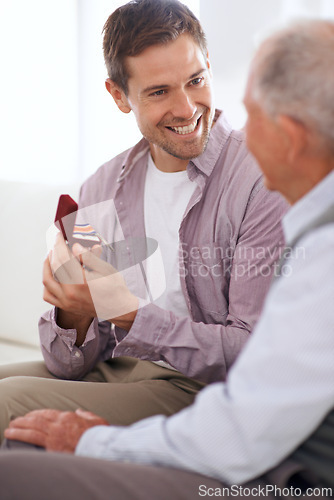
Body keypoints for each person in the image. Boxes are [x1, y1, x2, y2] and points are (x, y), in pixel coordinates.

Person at [1, 17, 333, 500]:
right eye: (158, 92)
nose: (187, 107)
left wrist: (130, 312)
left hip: (195, 385)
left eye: (196, 81)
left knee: (7, 405)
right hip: (120, 369)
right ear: (119, 96)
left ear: (209, 69)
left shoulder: (262, 176)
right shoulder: (99, 189)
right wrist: (74, 309)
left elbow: (251, 358)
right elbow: (67, 363)